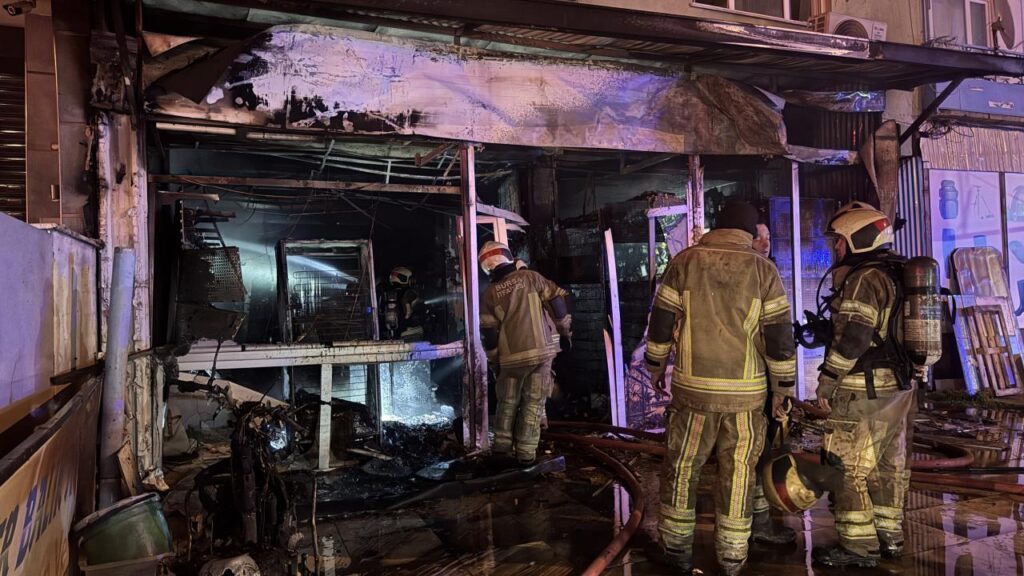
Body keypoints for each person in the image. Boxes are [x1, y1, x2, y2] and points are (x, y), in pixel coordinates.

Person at [645, 200, 797, 576]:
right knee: (739, 470)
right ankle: (732, 556)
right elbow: (779, 337)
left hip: (693, 393)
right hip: (745, 397)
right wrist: (783, 389)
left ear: (718, 226)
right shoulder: (764, 270)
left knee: (683, 466)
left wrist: (655, 366)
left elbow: (661, 320)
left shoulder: (685, 262)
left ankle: (676, 548)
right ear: (749, 232)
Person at [812, 203, 915, 568]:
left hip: (863, 389)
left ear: (859, 237)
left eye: (839, 241)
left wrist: (827, 380)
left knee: (845, 466)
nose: (836, 248)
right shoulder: (898, 273)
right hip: (899, 389)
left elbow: (855, 337)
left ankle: (857, 547)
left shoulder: (865, 278)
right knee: (888, 467)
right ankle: (890, 538)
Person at [479, 241, 571, 465]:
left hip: (510, 360)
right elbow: (557, 302)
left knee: (507, 402)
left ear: (486, 267)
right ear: (508, 256)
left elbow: (489, 333)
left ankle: (501, 451)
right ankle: (526, 456)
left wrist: (494, 361)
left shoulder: (489, 294)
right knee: (533, 403)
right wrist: (565, 332)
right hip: (541, 354)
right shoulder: (531, 277)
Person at [378, 266, 424, 341]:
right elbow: (420, 309)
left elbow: (380, 311)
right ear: (403, 278)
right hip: (408, 332)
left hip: (389, 335)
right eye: (410, 278)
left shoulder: (385, 295)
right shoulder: (410, 293)